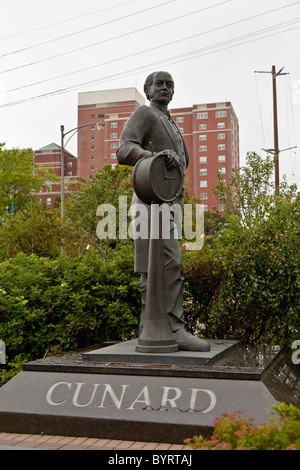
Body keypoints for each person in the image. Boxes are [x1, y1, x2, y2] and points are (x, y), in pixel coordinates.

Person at [117, 71, 210, 351]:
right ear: (148, 89)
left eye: (170, 85)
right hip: (149, 203)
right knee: (167, 262)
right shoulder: (145, 113)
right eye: (159, 83)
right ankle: (173, 327)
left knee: (158, 266)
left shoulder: (171, 122)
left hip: (170, 204)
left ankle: (151, 327)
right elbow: (124, 150)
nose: (165, 88)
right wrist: (153, 156)